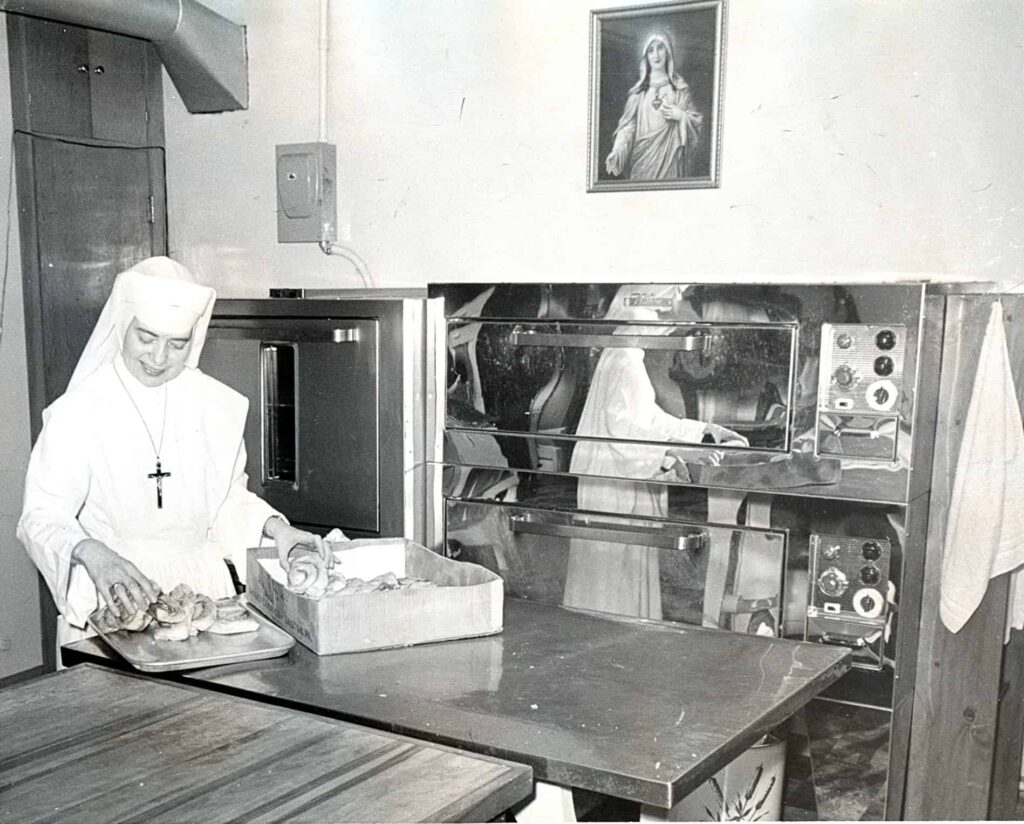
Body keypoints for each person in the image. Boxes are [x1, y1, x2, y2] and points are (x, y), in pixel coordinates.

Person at [17, 256, 329, 655]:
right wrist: (92, 554)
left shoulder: (216, 406)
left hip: (205, 595)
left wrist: (278, 531)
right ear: (123, 325)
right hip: (115, 593)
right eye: (146, 338)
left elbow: (227, 503)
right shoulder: (76, 412)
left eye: (176, 344)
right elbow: (41, 517)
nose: (159, 358)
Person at [562, 284, 746, 619]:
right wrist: (675, 454)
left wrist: (702, 431)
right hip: (614, 486)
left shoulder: (623, 355)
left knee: (614, 577)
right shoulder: (624, 359)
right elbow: (626, 432)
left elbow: (645, 417)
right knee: (614, 580)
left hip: (612, 482)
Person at [605, 30, 703, 181]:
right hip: (642, 162)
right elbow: (628, 127)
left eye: (660, 48)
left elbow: (697, 125)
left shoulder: (680, 89)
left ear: (668, 51)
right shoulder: (638, 93)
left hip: (670, 160)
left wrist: (682, 116)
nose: (656, 55)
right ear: (646, 57)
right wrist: (617, 151)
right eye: (651, 50)